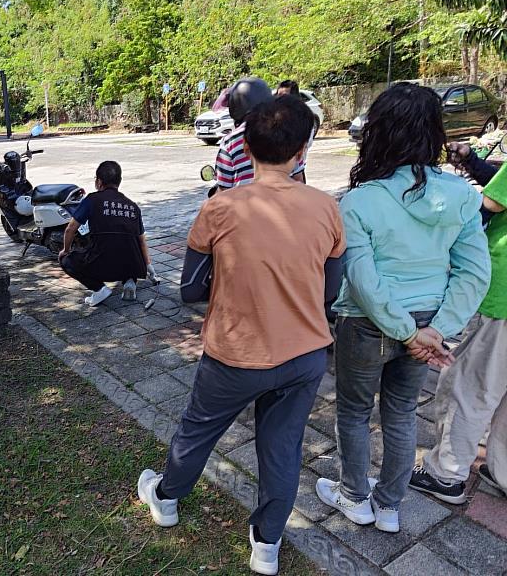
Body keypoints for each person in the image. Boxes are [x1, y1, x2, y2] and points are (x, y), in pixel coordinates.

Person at [137, 95, 345, 576]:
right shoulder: (327, 208)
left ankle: (166, 498)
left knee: (198, 431)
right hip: (305, 354)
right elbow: (330, 291)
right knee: (283, 447)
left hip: (234, 355)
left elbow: (190, 289)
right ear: (303, 151)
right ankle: (266, 545)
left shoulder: (221, 207)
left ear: (245, 147)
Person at [317, 83, 491, 534]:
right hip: (429, 324)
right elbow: (473, 272)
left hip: (368, 324)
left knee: (354, 412)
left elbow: (362, 278)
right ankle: (390, 505)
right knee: (400, 411)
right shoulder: (461, 196)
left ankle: (354, 495)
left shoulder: (360, 200)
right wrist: (437, 329)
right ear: (434, 133)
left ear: (378, 132)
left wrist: (407, 332)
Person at [410, 145, 507, 503]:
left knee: (470, 387)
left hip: (503, 304)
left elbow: (490, 203)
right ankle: (503, 470)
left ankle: (445, 474)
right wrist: (473, 163)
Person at [58, 161, 155, 306]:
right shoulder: (133, 207)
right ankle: (130, 282)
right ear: (119, 181)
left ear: (99, 182)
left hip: (101, 266)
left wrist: (65, 251)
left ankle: (99, 289)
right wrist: (147, 265)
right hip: (132, 266)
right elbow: (141, 241)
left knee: (66, 260)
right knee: (128, 247)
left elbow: (70, 229)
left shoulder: (91, 200)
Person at [214, 77, 306, 190]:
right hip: (285, 204)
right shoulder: (286, 132)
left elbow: (224, 190)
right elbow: (299, 180)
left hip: (244, 205)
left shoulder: (229, 142)